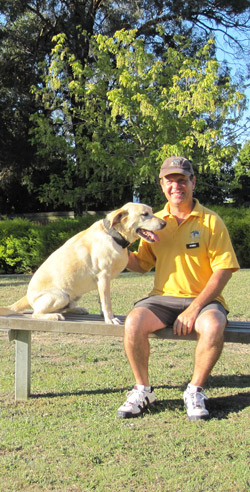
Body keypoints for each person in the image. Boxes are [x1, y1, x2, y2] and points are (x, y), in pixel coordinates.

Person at [117, 156, 240, 421]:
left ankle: (194, 391)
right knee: (133, 322)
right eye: (170, 181)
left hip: (204, 301)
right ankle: (143, 390)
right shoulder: (153, 220)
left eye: (182, 180)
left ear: (193, 182)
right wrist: (117, 244)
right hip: (162, 299)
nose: (176, 186)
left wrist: (195, 308)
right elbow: (141, 264)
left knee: (214, 326)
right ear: (162, 185)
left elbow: (224, 269)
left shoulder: (211, 221)